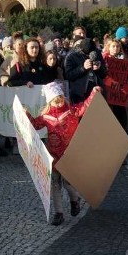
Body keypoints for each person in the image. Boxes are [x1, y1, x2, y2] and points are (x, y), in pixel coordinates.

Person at [26, 83, 100, 225]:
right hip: (53, 156)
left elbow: (84, 106)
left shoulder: (71, 111)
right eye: (55, 99)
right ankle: (58, 213)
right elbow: (35, 125)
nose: (59, 101)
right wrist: (26, 115)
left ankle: (75, 199)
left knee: (68, 183)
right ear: (49, 101)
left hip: (69, 155)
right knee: (55, 184)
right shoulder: (46, 116)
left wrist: (93, 94)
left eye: (60, 98)